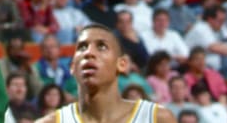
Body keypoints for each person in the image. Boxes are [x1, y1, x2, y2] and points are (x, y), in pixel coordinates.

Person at [36, 24, 176, 123]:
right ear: (73, 67)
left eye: (101, 47)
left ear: (122, 64)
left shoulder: (156, 118)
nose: (89, 53)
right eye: (83, 47)